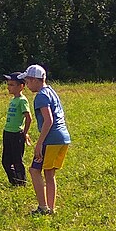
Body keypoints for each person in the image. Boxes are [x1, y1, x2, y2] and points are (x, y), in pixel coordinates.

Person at [22, 64, 70, 215]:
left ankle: (43, 208)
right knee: (49, 174)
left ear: (36, 80)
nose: (27, 85)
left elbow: (48, 120)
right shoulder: (51, 91)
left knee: (34, 170)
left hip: (51, 139)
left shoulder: (41, 96)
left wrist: (39, 143)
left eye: (28, 81)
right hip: (63, 138)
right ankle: (50, 208)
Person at [1, 72, 31, 186]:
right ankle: (14, 182)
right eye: (8, 84)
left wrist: (25, 132)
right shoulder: (13, 100)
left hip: (16, 134)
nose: (8, 87)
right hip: (7, 132)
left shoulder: (22, 100)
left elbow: (29, 118)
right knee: (6, 161)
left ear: (21, 86)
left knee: (17, 160)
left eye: (12, 84)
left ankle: (21, 183)